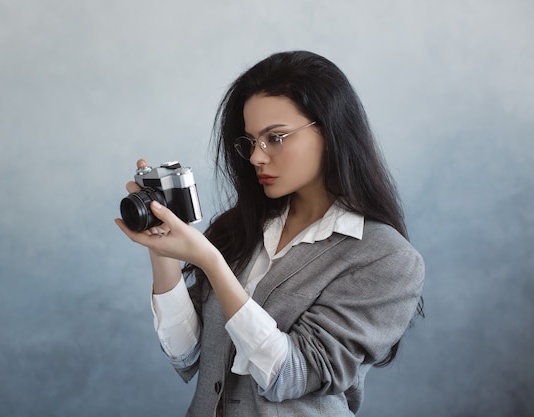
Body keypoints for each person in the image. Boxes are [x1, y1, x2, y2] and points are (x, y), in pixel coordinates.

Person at [115, 50, 424, 417]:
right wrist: (161, 248)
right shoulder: (245, 227)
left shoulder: (387, 258)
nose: (257, 158)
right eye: (250, 142)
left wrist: (212, 264)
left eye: (275, 138)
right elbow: (187, 353)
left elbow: (289, 376)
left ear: (330, 132)